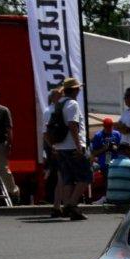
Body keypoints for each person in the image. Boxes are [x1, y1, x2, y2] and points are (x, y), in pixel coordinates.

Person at [46, 77, 90, 220]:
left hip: (60, 146)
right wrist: (78, 146)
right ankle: (71, 204)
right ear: (75, 90)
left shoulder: (59, 104)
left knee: (67, 178)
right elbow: (72, 125)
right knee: (85, 176)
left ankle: (70, 207)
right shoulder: (72, 104)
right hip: (72, 146)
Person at [41, 88, 63, 212]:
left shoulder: (60, 109)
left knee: (58, 172)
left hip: (58, 145)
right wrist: (52, 146)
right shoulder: (49, 111)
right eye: (59, 96)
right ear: (53, 98)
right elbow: (45, 133)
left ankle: (57, 198)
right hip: (52, 145)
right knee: (54, 171)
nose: (61, 97)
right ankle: (50, 197)